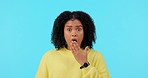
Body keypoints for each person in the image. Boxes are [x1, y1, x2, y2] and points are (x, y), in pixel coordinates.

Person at [35, 11, 110, 78]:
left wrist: (85, 64)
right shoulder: (48, 57)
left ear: (85, 32)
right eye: (69, 29)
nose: (74, 34)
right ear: (62, 32)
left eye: (78, 29)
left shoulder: (96, 56)